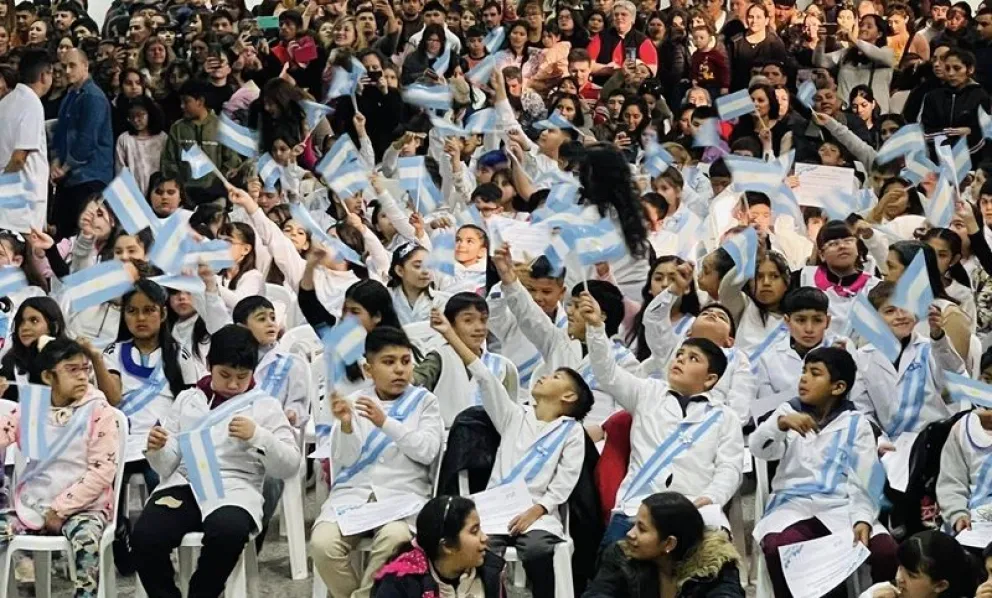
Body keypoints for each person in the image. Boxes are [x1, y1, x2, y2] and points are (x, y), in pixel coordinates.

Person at [131, 324, 302, 598]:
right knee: (145, 536)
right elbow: (166, 466)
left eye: (242, 377)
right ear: (210, 365)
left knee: (228, 532)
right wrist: (157, 449)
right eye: (225, 375)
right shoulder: (188, 400)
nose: (233, 385)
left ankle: (202, 594)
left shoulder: (264, 406)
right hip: (184, 484)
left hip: (234, 488)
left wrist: (259, 436)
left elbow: (290, 464)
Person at [432, 305, 588, 598]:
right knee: (483, 551)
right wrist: (449, 334)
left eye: (555, 378)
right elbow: (484, 377)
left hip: (538, 512)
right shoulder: (513, 415)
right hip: (495, 508)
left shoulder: (572, 431)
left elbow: (564, 482)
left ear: (568, 396)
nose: (545, 376)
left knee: (539, 549)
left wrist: (537, 510)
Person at [581, 285, 743, 540]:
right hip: (636, 508)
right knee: (611, 563)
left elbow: (730, 468)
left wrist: (712, 497)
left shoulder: (725, 418)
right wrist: (595, 328)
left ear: (710, 379)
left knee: (717, 562)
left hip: (694, 509)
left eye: (693, 358)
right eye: (680, 354)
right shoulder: (646, 392)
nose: (680, 360)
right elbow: (607, 374)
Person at [752, 347, 898, 596]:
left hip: (841, 507)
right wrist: (779, 425)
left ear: (838, 387)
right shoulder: (787, 412)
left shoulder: (856, 423)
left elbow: (865, 480)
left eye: (815, 373)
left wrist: (863, 518)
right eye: (804, 371)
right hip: (793, 505)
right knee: (779, 548)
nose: (804, 378)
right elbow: (759, 449)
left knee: (885, 550)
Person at [311, 326, 443, 598]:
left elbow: (427, 451)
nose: (399, 370)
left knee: (396, 538)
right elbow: (344, 459)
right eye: (389, 362)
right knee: (323, 544)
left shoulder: (424, 402)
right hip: (353, 495)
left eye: (405, 361)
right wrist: (346, 426)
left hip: (402, 497)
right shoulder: (353, 402)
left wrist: (386, 423)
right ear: (369, 370)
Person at [583, 492, 746, 597]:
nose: (630, 534)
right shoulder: (622, 556)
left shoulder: (716, 566)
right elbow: (598, 593)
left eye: (641, 529)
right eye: (633, 524)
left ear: (669, 543)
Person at [413, 293, 518, 426]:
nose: (479, 327)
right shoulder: (439, 357)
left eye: (483, 320)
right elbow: (414, 383)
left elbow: (512, 414)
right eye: (468, 320)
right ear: (450, 324)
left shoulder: (503, 365)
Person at [371, 496, 505, 597]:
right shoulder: (400, 581)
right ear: (447, 546)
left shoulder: (491, 573)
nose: (485, 538)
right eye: (474, 531)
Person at [51, 48, 114, 240]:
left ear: (85, 66)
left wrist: (64, 167)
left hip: (90, 175)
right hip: (70, 177)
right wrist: (55, 161)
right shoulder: (70, 95)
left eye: (72, 65)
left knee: (83, 234)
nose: (67, 71)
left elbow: (87, 139)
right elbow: (60, 133)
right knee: (62, 234)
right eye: (64, 66)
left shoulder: (93, 96)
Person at [0, 48, 49, 229]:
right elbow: (19, 158)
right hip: (22, 200)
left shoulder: (6, 102)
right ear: (44, 75)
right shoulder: (31, 103)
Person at [860, 531, 978, 598]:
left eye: (911, 575)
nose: (899, 578)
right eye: (900, 568)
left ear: (940, 585)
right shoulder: (880, 592)